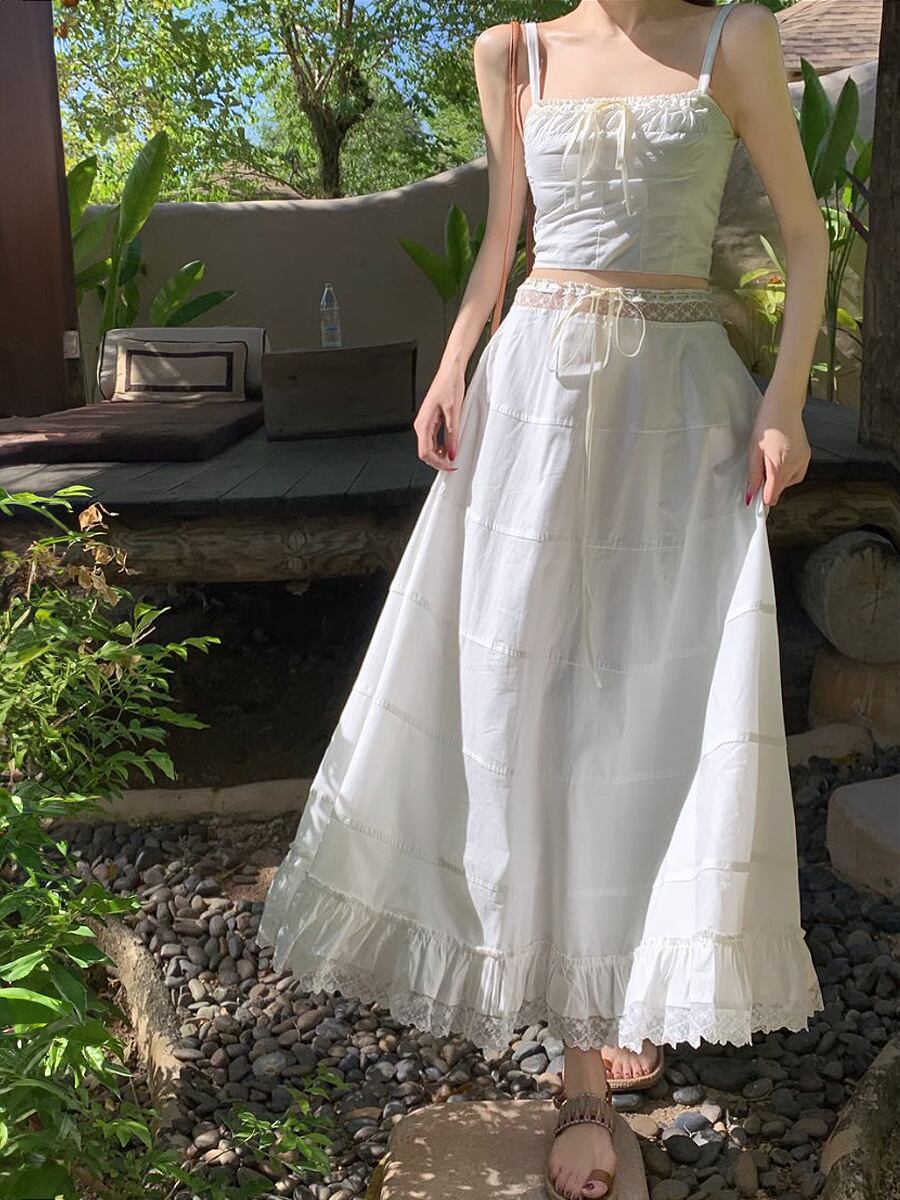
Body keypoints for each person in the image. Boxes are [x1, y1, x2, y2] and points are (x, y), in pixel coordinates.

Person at [258, 3, 829, 1197]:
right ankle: (581, 1063)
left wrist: (784, 404)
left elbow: (803, 233)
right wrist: (454, 359)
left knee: (655, 705)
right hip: (536, 399)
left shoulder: (734, 36)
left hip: (680, 415)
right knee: (533, 697)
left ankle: (631, 976)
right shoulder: (509, 50)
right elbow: (504, 240)